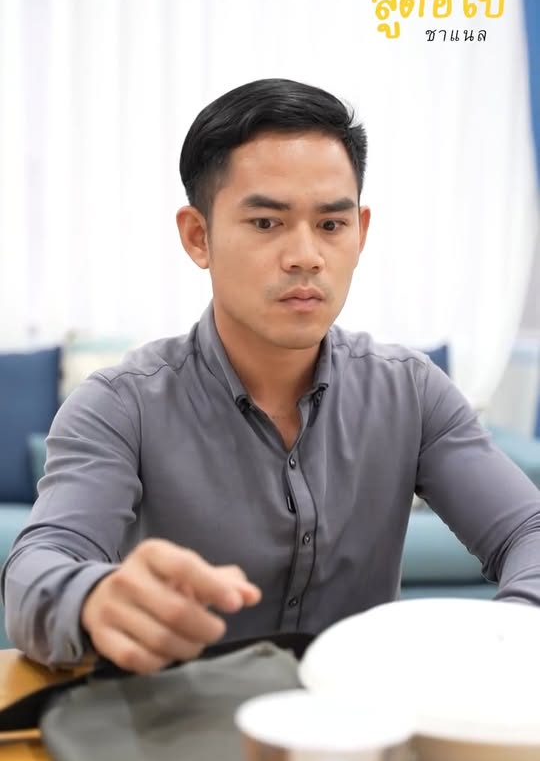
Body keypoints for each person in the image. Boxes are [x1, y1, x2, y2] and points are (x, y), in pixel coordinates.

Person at [2, 78, 540, 671]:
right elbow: (37, 569)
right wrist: (93, 598)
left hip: (360, 718)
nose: (305, 256)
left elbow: (528, 530)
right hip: (175, 717)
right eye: (266, 223)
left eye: (331, 225)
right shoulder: (119, 404)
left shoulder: (411, 391)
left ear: (360, 231)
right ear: (198, 236)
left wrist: (510, 643)